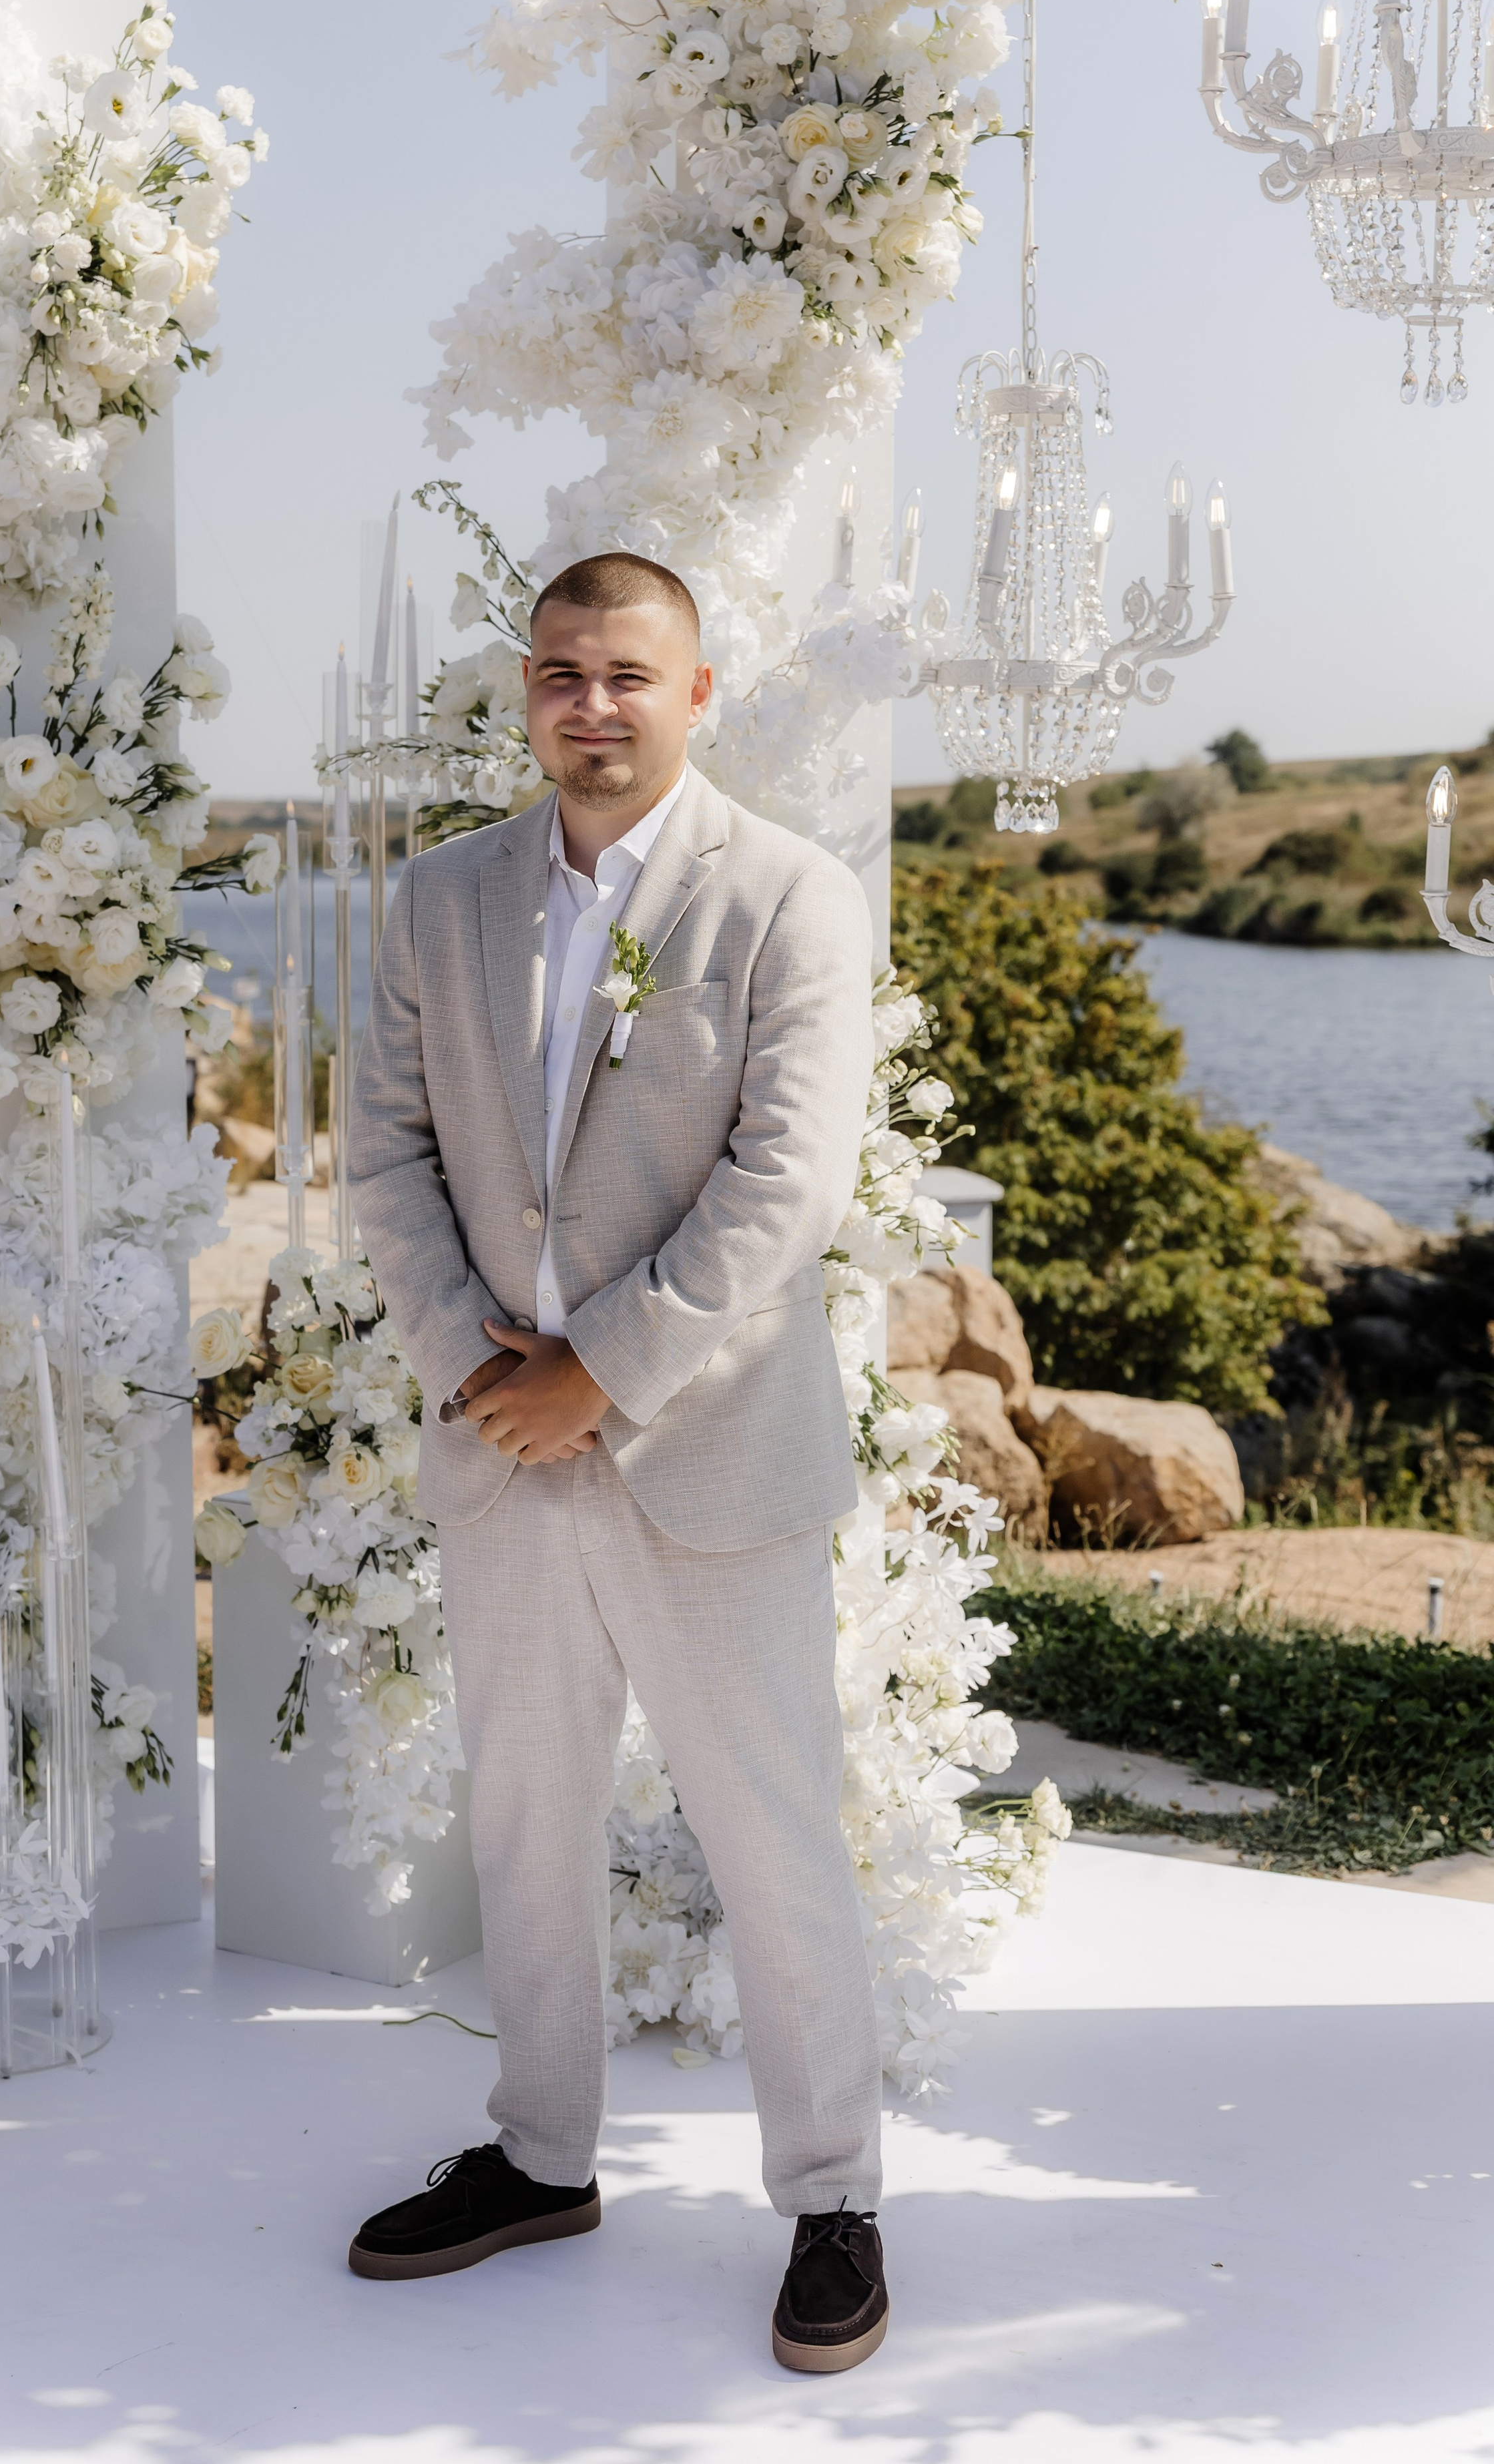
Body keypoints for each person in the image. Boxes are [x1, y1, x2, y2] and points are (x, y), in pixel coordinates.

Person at [346, 551, 886, 2373]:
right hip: (502, 1445)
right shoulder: (438, 897)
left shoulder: (794, 898)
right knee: (524, 1821)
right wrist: (477, 1372)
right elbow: (387, 1155)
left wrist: (611, 1375)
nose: (593, 704)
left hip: (707, 1450)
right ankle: (539, 2158)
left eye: (629, 675)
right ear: (526, 689)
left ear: (699, 690)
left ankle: (832, 2192)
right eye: (562, 673)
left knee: (772, 1832)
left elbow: (784, 1190)